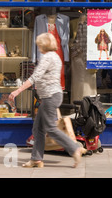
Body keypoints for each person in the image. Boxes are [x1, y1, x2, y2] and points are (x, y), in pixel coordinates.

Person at [9, 33, 82, 168]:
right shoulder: (55, 57)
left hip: (50, 96)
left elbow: (35, 77)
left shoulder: (47, 57)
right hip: (50, 96)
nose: (38, 47)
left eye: (39, 45)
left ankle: (74, 148)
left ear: (44, 45)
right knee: (38, 128)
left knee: (50, 128)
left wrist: (17, 91)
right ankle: (36, 159)